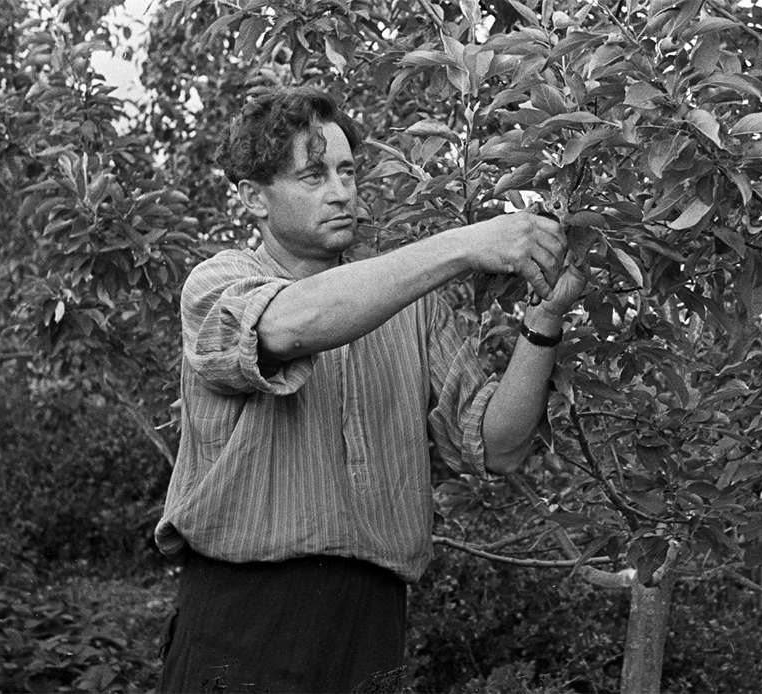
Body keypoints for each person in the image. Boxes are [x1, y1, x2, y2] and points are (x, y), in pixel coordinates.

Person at [154, 85, 587, 693]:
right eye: (313, 176)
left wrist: (547, 318)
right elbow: (290, 324)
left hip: (372, 623)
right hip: (243, 617)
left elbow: (498, 446)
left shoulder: (414, 310)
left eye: (347, 171)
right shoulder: (220, 284)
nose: (340, 191)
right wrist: (467, 243)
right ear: (255, 198)